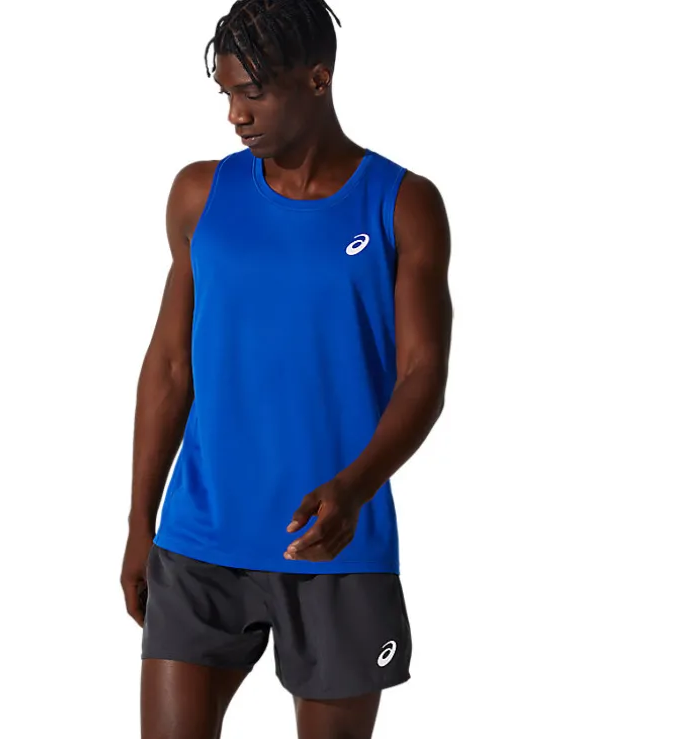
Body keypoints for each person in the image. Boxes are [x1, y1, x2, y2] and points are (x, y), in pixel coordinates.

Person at [120, 1, 452, 736]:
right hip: (200, 538)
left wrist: (354, 487)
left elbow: (423, 376)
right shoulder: (200, 195)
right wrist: (141, 521)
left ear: (317, 80)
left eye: (253, 93)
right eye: (227, 94)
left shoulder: (402, 204)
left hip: (337, 544)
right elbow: (170, 367)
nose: (235, 115)